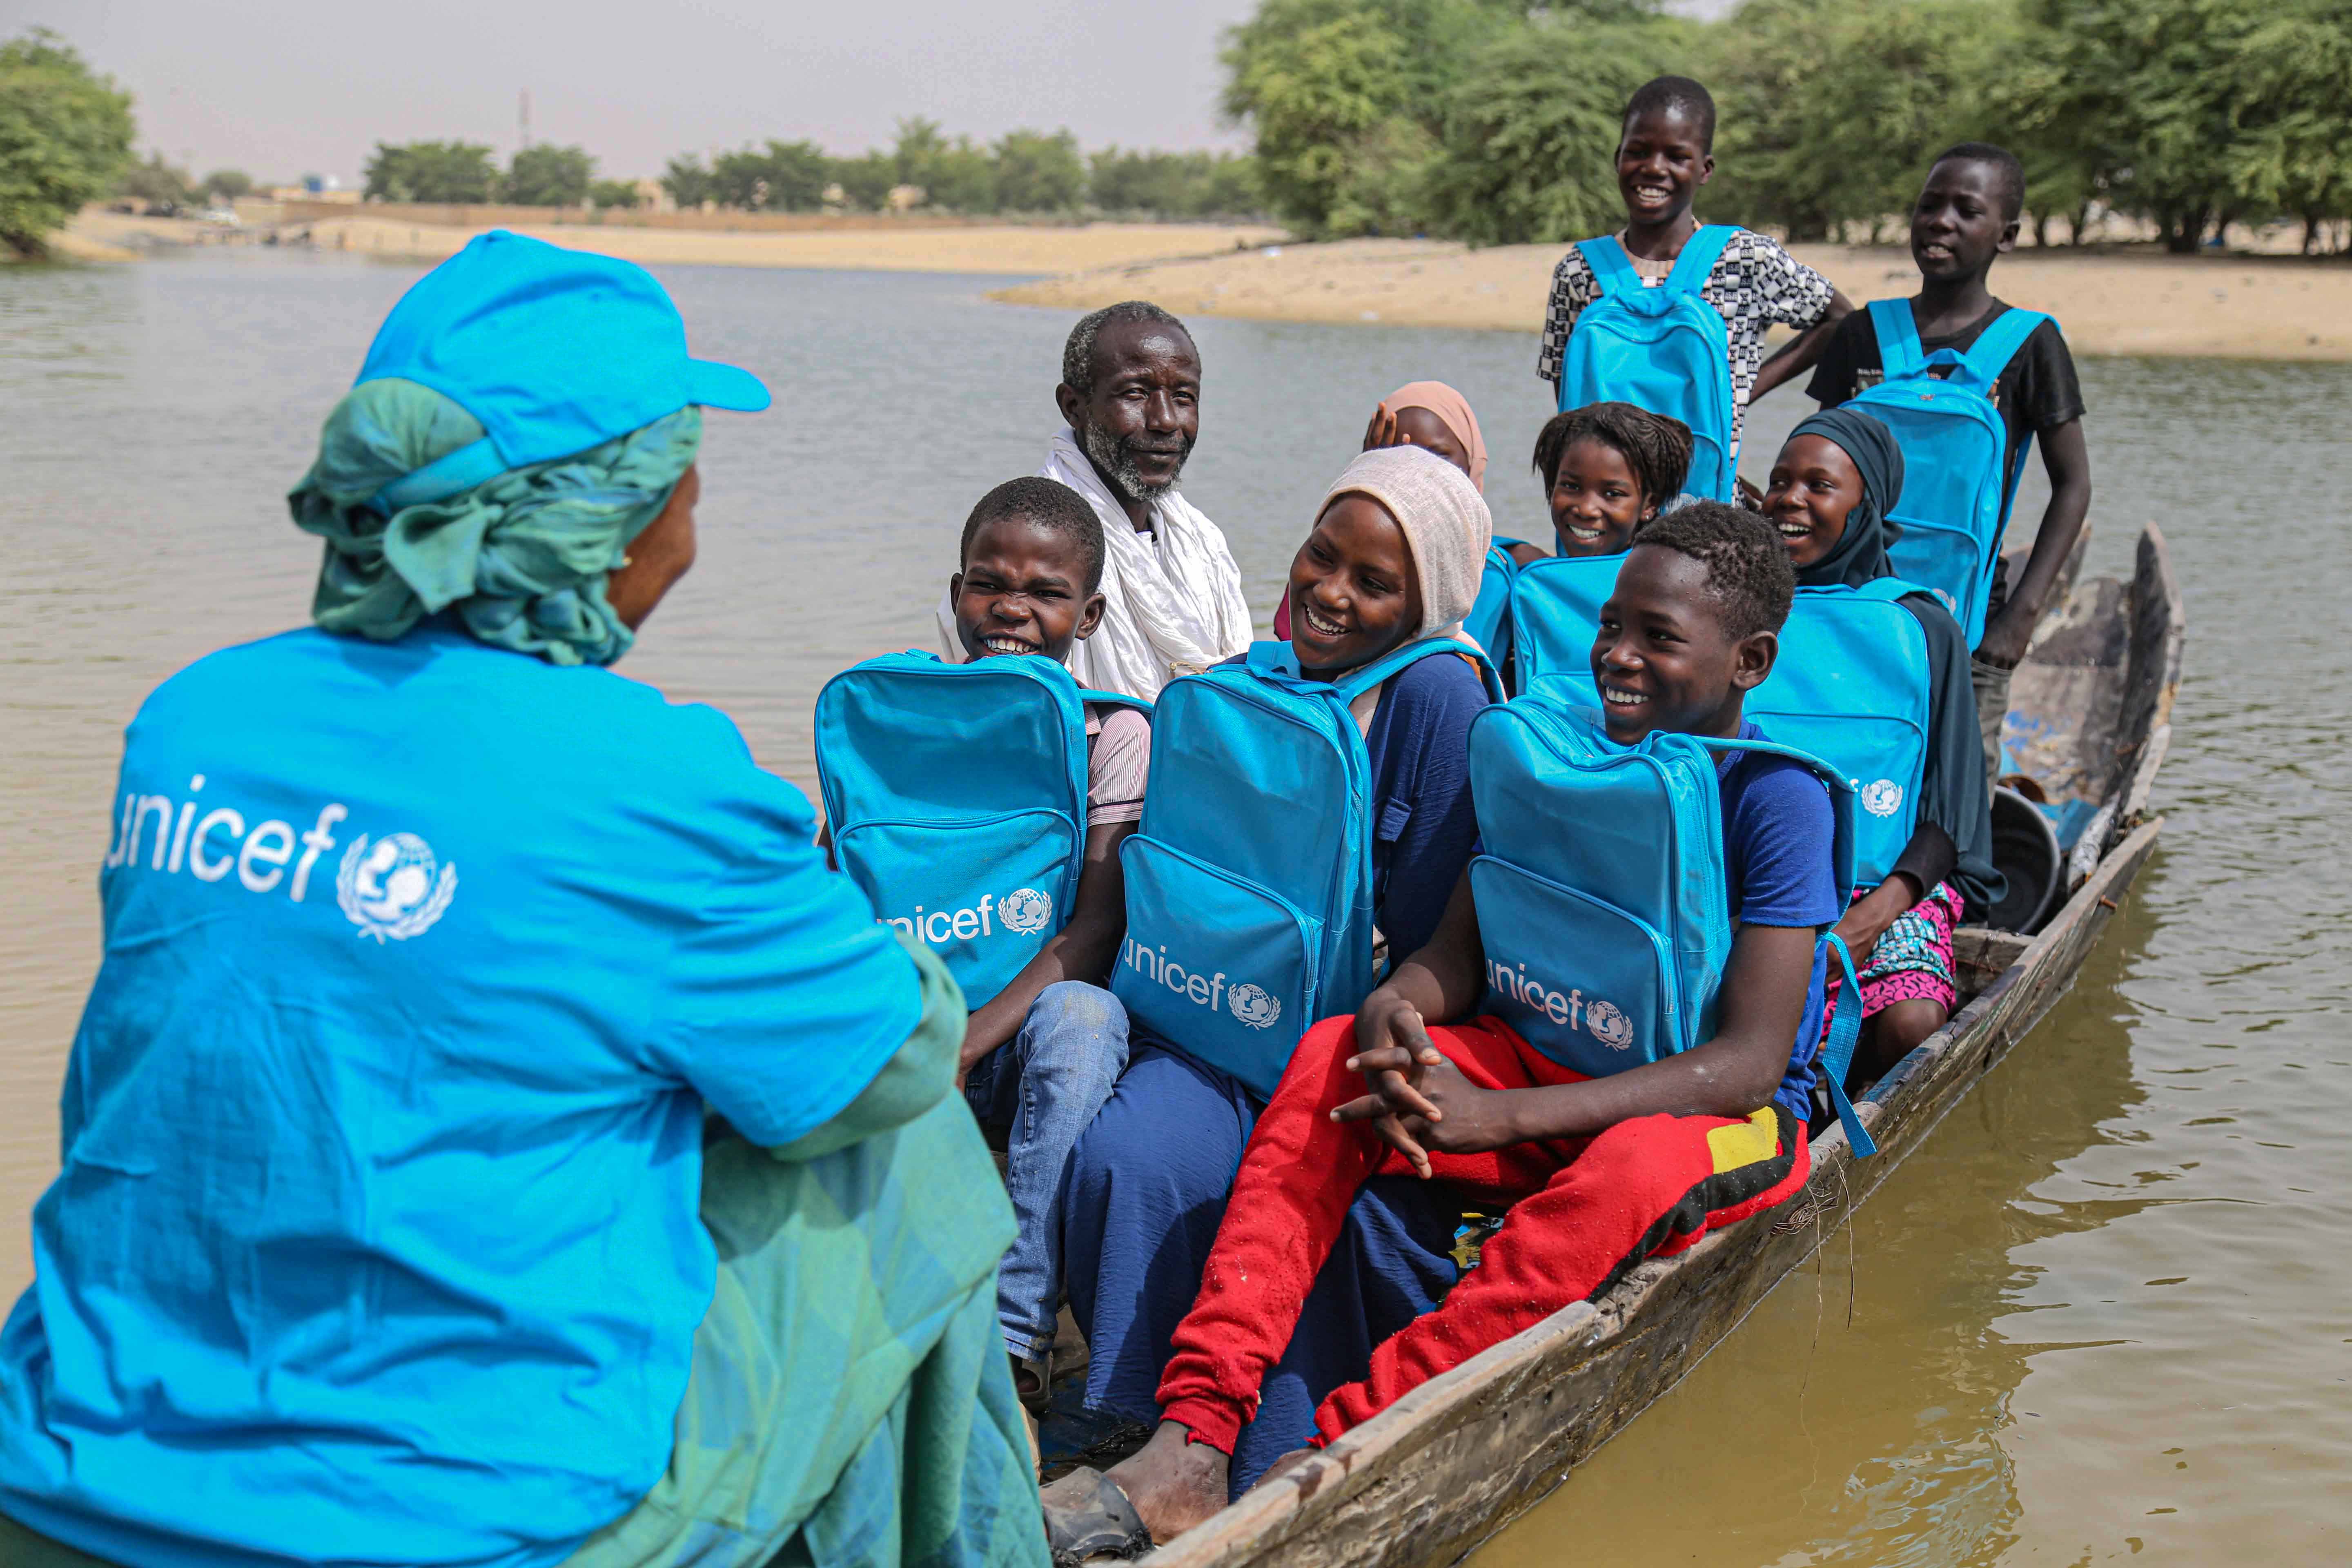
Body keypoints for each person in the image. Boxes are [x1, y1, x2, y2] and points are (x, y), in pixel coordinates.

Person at [0, 234, 1045, 1568]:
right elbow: (889, 1068)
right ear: (610, 526)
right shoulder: (654, 780)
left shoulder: (189, 717)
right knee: (916, 1162)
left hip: (67, 1463)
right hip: (455, 1522)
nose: (695, 518)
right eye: (683, 479)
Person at [1044, 503, 1838, 1545]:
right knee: (1331, 1053)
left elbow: (1744, 1064)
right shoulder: (1559, 751)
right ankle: (1195, 1431)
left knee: (1631, 1173)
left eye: (1658, 637)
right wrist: (1394, 1007)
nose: (1617, 658)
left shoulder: (1776, 800)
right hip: (1543, 1060)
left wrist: (1500, 1120)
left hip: (1697, 1109)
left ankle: (1347, 1439)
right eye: (1611, 626)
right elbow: (1456, 956)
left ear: (1749, 659)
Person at [1050, 450, 1497, 1502]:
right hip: (1213, 1013)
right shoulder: (1257, 673)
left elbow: (1439, 934)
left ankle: (1240, 1453)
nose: (1328, 590)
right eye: (1319, 553)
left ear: (1422, 599)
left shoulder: (1438, 692)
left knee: (1300, 1214)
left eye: (1372, 582)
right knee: (1128, 1155)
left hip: (1337, 1037)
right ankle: (1123, 1417)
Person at [940, 477, 1152, 1413]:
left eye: (1044, 592)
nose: (1012, 609)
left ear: (1090, 610)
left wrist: (971, 1037)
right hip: (918, 1007)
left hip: (1016, 1031)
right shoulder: (902, 712)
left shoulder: (1113, 733)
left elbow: (1097, 926)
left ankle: (1015, 1340)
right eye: (989, 583)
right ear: (955, 593)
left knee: (1085, 1014)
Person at [1805, 143, 2092, 786]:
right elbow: (1810, 462)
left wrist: (2021, 617)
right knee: (1844, 765)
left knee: (1959, 788)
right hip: (1848, 608)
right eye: (1930, 205)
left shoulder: (2030, 342)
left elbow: (2073, 486)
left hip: (1972, 623)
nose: (1941, 221)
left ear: (2007, 236)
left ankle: (1949, 889)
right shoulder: (1862, 335)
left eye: (1968, 210)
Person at [1760, 410, 2002, 1079]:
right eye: (1781, 481)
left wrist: (1869, 920)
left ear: (1866, 503)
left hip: (1888, 882)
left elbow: (1949, 818)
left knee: (1912, 1021)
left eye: (1819, 485)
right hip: (1759, 880)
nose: (1790, 500)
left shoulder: (1921, 625)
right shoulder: (1742, 612)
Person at [1536, 76, 1851, 477]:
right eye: (1638, 152)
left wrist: (1739, 394)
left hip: (1706, 506)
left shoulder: (1745, 259)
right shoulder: (1578, 272)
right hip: (1603, 507)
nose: (1654, 168)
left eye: (1677, 156)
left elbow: (1839, 318)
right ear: (1618, 158)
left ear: (1705, 169)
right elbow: (1568, 399)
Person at [933, 302, 1249, 701]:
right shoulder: (1021, 540)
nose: (1166, 420)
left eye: (1183, 396)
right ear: (1073, 407)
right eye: (1135, 393)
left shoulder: (1203, 542)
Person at [1275, 381, 1488, 640]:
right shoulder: (1323, 569)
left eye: (1434, 458)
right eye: (1391, 455)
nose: (1408, 472)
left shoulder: (1506, 576)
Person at [1511, 400, 1695, 564]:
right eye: (1571, 486)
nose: (1586, 510)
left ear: (1650, 504)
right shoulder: (1529, 571)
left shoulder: (1659, 585)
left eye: (1613, 494)